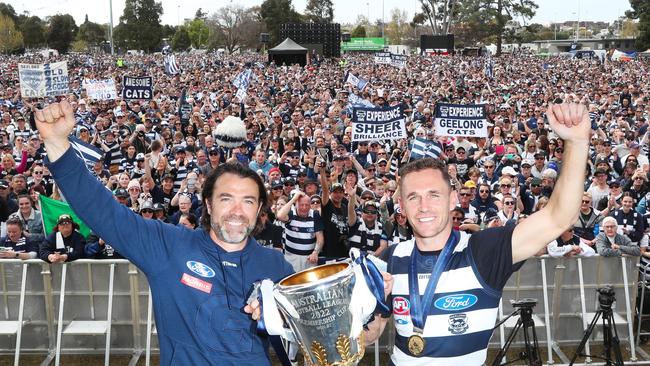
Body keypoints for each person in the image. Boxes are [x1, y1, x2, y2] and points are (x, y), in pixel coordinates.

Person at [34, 101, 294, 365]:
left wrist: (280, 316)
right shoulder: (168, 245)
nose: (237, 211)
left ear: (260, 208)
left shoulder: (277, 266)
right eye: (226, 199)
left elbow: (306, 334)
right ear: (207, 204)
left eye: (248, 201)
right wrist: (57, 144)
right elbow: (105, 212)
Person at [363, 102, 591, 365]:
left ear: (453, 200)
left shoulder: (484, 250)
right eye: (413, 197)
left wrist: (577, 142)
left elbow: (560, 217)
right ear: (401, 205)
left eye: (434, 195)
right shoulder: (390, 259)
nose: (423, 206)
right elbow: (372, 333)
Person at [275, 191, 324, 272]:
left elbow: (320, 238)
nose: (304, 208)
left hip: (310, 259)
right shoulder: (290, 214)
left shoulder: (315, 215)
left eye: (307, 205)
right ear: (296, 204)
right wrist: (293, 199)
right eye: (301, 205)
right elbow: (280, 216)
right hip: (291, 259)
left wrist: (315, 252)